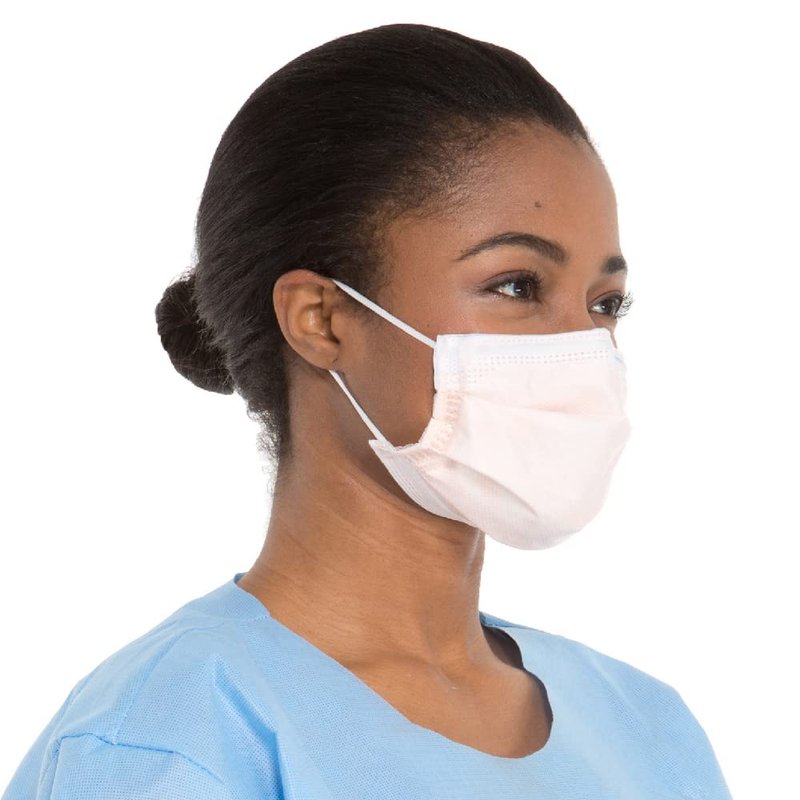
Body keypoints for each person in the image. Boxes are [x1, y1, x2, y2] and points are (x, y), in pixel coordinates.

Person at [2, 22, 733, 800]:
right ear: (321, 320)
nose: (581, 349)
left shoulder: (650, 731)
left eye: (605, 303)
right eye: (517, 286)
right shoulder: (172, 740)